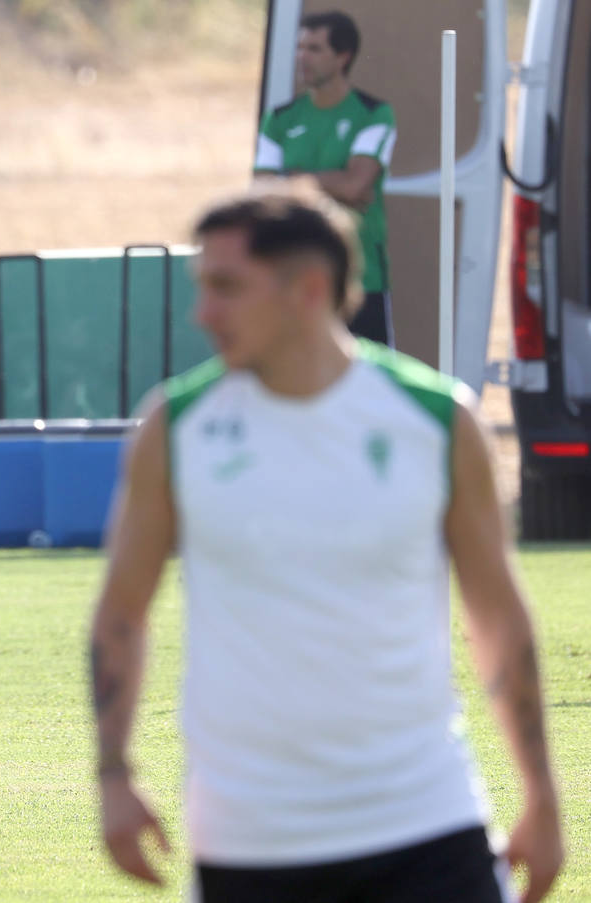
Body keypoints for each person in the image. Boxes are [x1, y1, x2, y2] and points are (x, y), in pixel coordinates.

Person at [89, 183, 564, 902]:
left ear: (308, 290)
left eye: (226, 287)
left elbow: (498, 617)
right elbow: (121, 615)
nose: (202, 312)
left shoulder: (438, 421)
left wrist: (541, 793)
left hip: (428, 828)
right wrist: (113, 775)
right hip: (247, 842)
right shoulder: (176, 428)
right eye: (201, 286)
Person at [255, 10, 396, 346]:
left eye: (314, 49)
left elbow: (356, 184)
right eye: (300, 47)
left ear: (343, 56)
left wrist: (289, 180)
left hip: (361, 277)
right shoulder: (280, 118)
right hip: (293, 273)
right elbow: (261, 192)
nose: (302, 57)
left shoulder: (373, 113)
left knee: (368, 372)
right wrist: (335, 185)